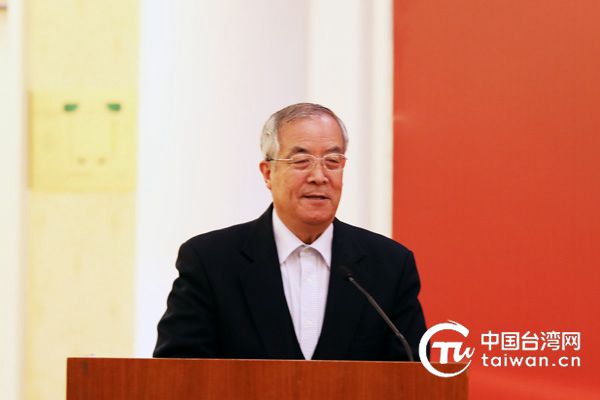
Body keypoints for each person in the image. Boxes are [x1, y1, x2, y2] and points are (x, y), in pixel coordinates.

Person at [153, 103, 427, 361]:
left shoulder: (389, 265)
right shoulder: (210, 261)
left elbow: (412, 375)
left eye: (332, 161)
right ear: (268, 173)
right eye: (301, 161)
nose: (319, 176)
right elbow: (178, 372)